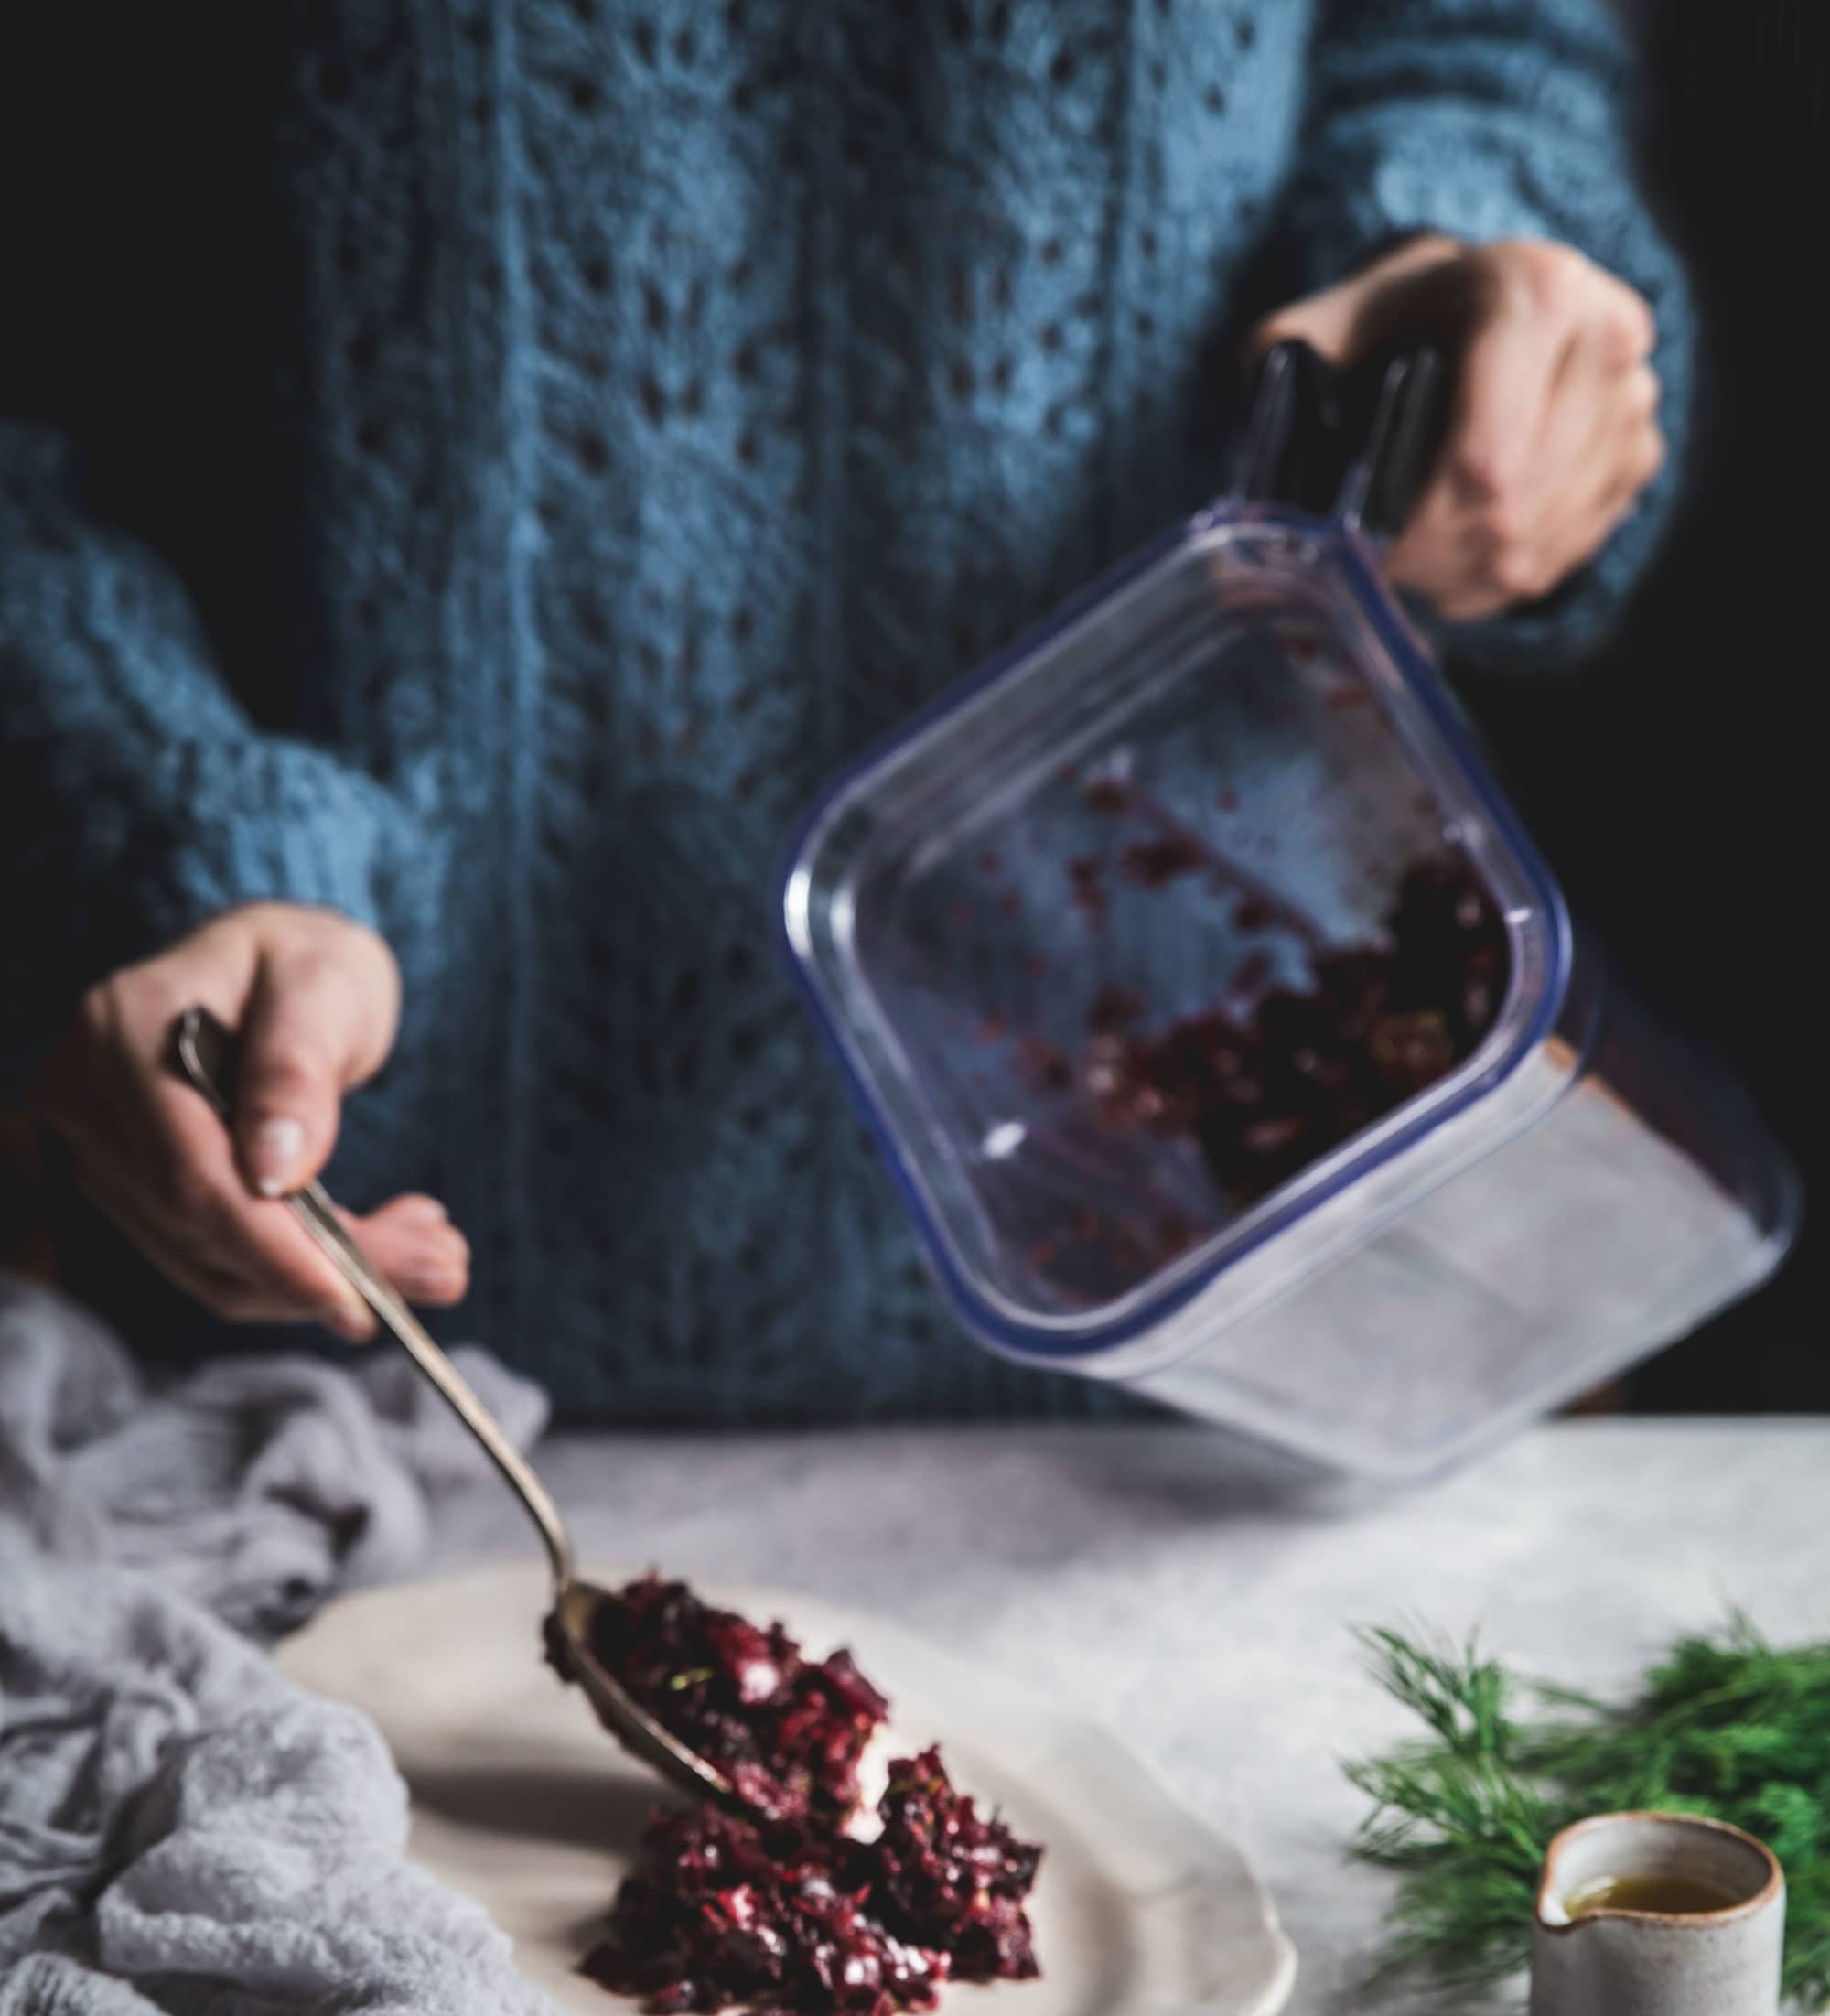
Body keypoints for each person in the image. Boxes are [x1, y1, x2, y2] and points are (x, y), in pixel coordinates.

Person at [0, 2, 1683, 1423]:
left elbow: (1477, 41)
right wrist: (166, 815)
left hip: (1238, 1272)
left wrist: (1464, 293)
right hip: (370, 1334)